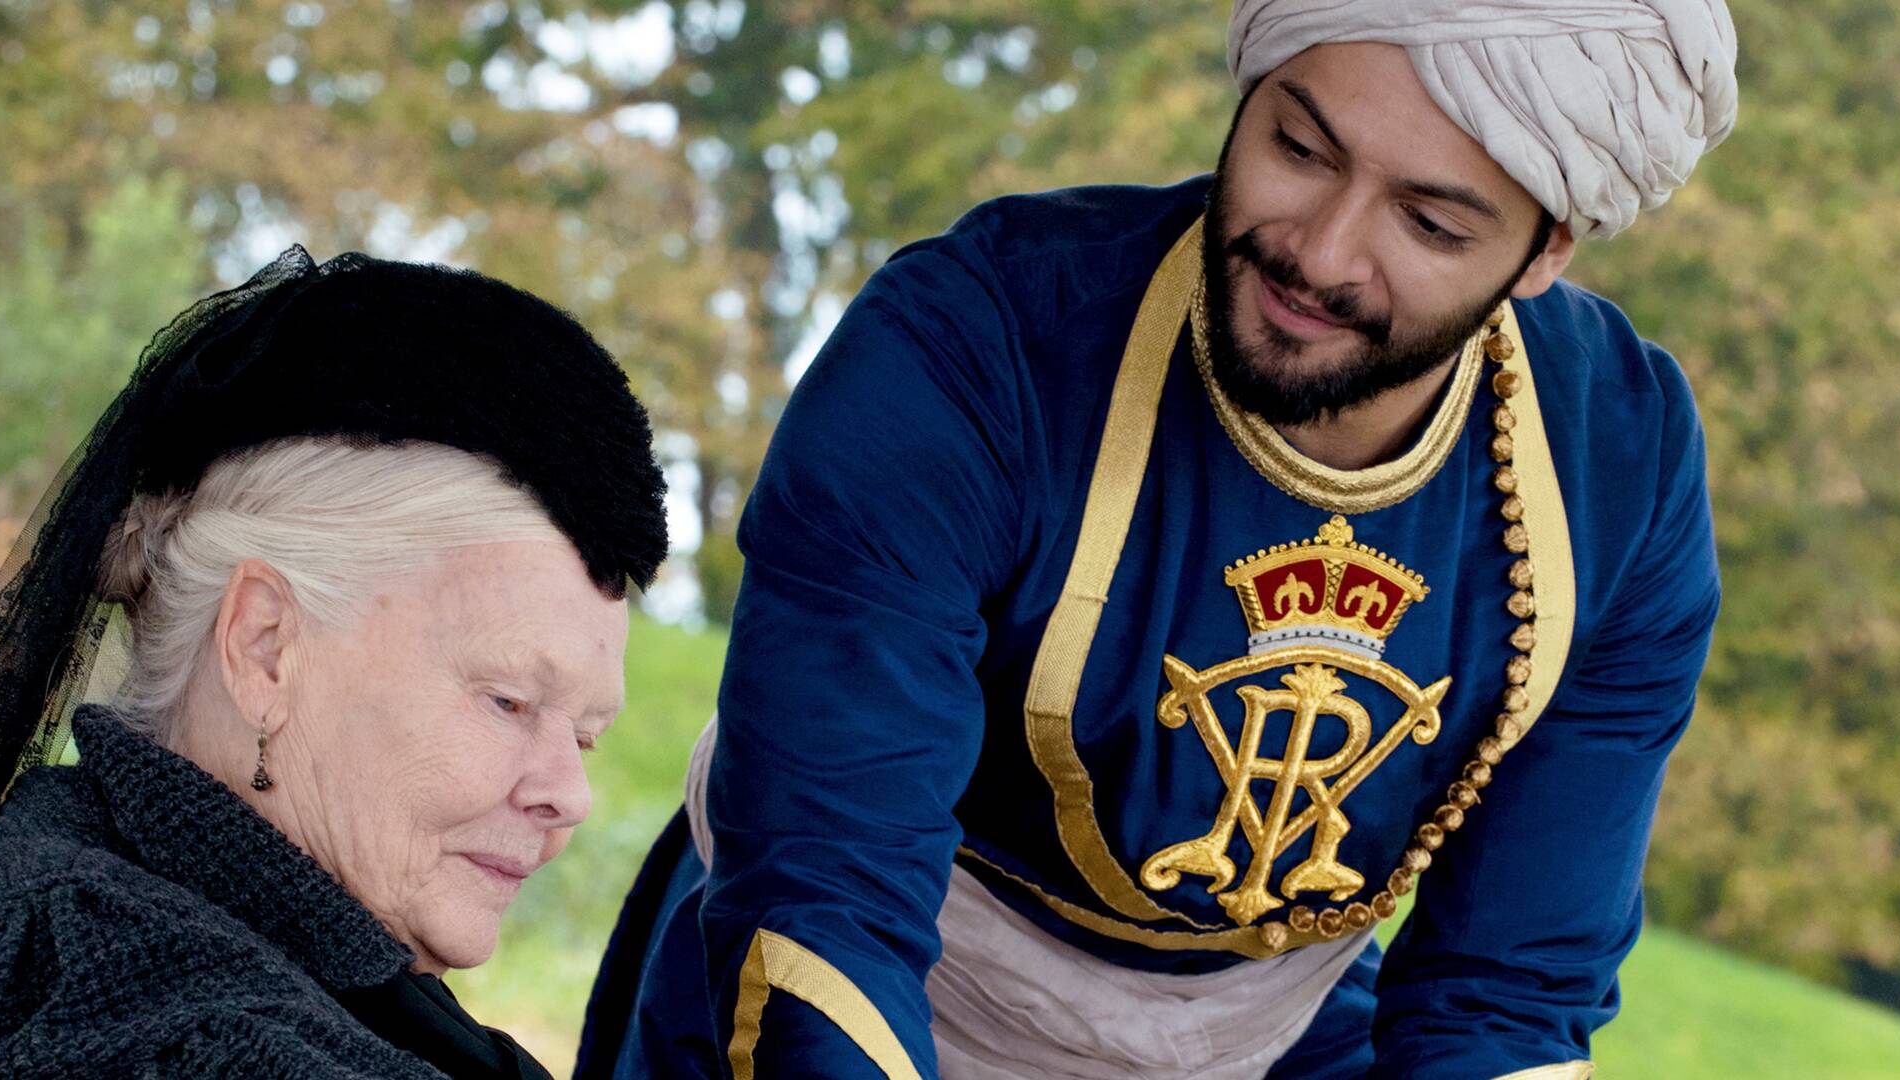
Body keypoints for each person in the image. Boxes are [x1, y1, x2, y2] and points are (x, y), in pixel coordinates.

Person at [578, 1, 1738, 1078]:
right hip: (845, 985)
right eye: (1299, 149)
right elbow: (825, 880)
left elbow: (1507, 995)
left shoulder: (1620, 470)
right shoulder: (970, 347)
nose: (1322, 253)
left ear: (1546, 252)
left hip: (1267, 1040)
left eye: (1428, 222)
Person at [0, 248, 668, 1079]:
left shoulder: (68, 880)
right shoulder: (185, 1043)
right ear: (265, 647)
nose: (570, 796)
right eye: (509, 700)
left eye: (589, 736)